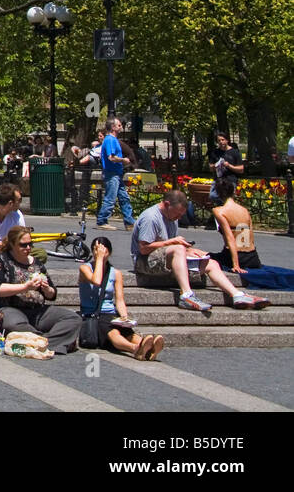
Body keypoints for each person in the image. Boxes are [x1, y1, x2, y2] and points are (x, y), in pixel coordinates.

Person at [130, 190, 267, 312]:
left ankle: (237, 295)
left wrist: (190, 251)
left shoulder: (171, 216)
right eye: (177, 214)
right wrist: (173, 243)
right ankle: (186, 295)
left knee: (211, 263)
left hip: (164, 258)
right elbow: (143, 249)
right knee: (178, 249)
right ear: (166, 204)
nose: (178, 218)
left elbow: (170, 247)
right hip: (144, 262)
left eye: (181, 215)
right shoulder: (151, 217)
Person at [0, 226, 82, 353]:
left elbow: (52, 295)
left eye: (30, 244)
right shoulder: (0, 260)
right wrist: (25, 287)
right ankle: (49, 342)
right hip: (10, 308)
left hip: (37, 311)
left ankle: (40, 342)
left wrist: (47, 289)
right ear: (12, 244)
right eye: (23, 245)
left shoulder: (37, 263)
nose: (28, 248)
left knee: (73, 318)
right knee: (14, 324)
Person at [79, 236, 165, 360]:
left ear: (110, 252)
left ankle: (148, 347)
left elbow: (119, 300)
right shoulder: (85, 268)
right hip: (93, 313)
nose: (101, 254)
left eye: (104, 251)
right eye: (96, 250)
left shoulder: (116, 273)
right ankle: (135, 349)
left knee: (128, 332)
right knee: (113, 332)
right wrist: (99, 259)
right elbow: (96, 281)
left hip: (110, 313)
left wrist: (124, 317)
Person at [96, 117, 134, 230]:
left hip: (116, 173)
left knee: (124, 198)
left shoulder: (113, 140)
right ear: (113, 127)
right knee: (110, 198)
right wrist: (124, 160)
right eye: (119, 125)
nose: (121, 127)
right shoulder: (110, 140)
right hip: (112, 173)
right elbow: (111, 158)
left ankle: (129, 222)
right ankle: (102, 221)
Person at [210, 131, 244, 203]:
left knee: (227, 199)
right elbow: (210, 167)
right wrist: (216, 165)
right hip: (218, 180)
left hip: (230, 181)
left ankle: (225, 211)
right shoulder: (215, 152)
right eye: (219, 140)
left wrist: (229, 166)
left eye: (222, 140)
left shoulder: (235, 152)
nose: (221, 142)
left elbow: (241, 169)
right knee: (212, 196)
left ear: (227, 140)